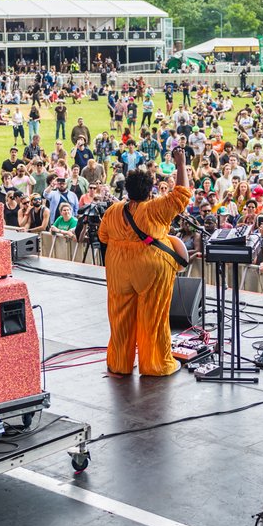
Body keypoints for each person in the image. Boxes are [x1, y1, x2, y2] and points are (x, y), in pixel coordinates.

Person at [98, 148, 192, 376]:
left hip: (118, 268)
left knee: (120, 317)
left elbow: (103, 237)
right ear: (150, 191)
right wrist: (181, 164)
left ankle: (120, 363)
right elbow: (182, 193)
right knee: (153, 316)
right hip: (152, 267)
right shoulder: (156, 208)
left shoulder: (113, 211)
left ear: (126, 190)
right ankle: (155, 364)